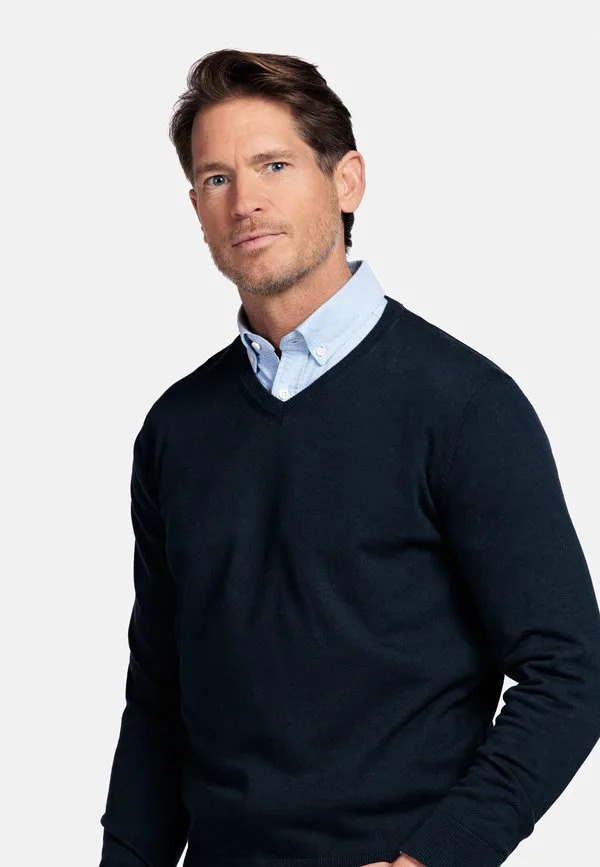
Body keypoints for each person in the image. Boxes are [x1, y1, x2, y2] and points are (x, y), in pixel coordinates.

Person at [98, 48, 600, 867]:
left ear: (347, 181)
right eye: (218, 178)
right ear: (197, 208)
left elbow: (570, 670)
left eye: (274, 165)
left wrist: (435, 858)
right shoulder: (176, 429)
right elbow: (159, 697)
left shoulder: (465, 406)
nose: (245, 201)